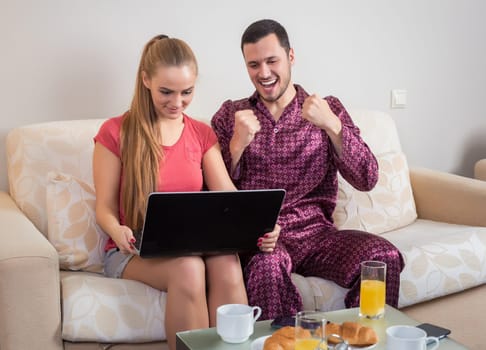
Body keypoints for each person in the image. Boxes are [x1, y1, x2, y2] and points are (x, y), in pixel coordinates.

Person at [92, 34, 279, 349]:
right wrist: (117, 229)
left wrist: (263, 226)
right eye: (166, 92)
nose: (177, 103)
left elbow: (230, 197)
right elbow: (105, 208)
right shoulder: (115, 133)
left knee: (227, 262)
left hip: (193, 244)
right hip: (132, 250)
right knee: (189, 267)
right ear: (146, 80)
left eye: (187, 92)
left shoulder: (201, 134)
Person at [211, 19, 405, 320]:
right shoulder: (230, 115)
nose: (263, 73)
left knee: (384, 257)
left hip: (317, 235)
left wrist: (333, 125)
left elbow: (367, 177)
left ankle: (362, 338)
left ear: (291, 57)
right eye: (253, 64)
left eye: (272, 60)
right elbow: (210, 194)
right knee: (267, 267)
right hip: (262, 239)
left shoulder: (328, 109)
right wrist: (236, 146)